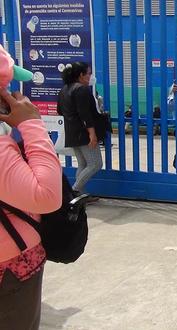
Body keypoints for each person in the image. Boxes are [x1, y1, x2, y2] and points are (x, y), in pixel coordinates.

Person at [0, 45, 62, 328]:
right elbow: (46, 195)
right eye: (7, 88)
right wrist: (32, 124)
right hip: (10, 269)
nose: (15, 96)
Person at [57, 62, 103, 201]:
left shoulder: (64, 89)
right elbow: (85, 114)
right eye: (88, 73)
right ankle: (74, 191)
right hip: (83, 133)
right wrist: (92, 134)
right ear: (81, 75)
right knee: (95, 164)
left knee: (83, 164)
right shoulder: (81, 90)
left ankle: (80, 195)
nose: (90, 76)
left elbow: (60, 110)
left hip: (71, 132)